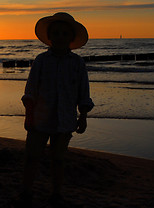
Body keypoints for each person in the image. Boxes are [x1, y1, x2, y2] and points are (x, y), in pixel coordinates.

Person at [12, 12, 94, 208]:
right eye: (56, 33)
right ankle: (26, 191)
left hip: (65, 119)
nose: (60, 37)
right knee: (32, 157)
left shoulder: (77, 63)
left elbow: (84, 92)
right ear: (50, 37)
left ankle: (56, 193)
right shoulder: (41, 60)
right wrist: (29, 115)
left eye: (64, 34)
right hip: (40, 118)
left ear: (71, 38)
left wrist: (83, 116)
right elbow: (30, 89)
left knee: (58, 159)